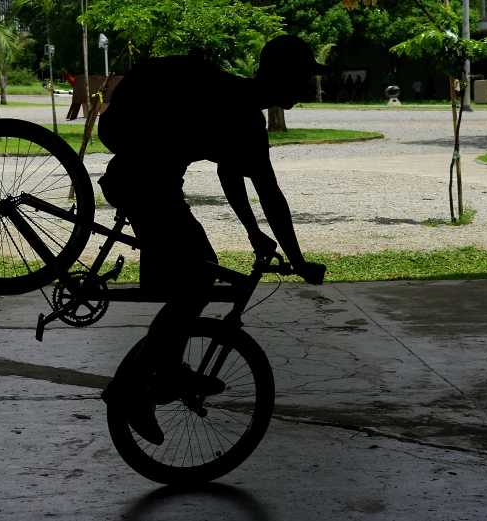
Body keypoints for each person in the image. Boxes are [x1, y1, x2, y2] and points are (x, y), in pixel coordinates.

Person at [97, 35, 328, 445]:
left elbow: (231, 173)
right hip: (145, 186)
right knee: (199, 279)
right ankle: (132, 388)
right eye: (303, 77)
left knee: (193, 277)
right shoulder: (241, 109)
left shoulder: (241, 106)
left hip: (149, 184)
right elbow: (270, 195)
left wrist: (253, 231)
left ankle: (161, 371)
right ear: (282, 77)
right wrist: (300, 260)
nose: (307, 87)